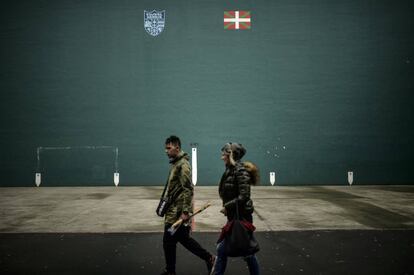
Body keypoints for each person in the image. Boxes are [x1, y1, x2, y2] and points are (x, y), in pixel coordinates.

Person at [160, 135, 215, 275]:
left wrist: (185, 212)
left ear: (177, 148)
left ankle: (171, 271)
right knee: (180, 240)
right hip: (173, 211)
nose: (166, 151)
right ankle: (209, 258)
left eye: (169, 148)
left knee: (169, 241)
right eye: (165, 148)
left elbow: (188, 189)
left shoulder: (183, 165)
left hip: (177, 213)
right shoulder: (176, 164)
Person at [214, 142, 260, 275]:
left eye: (225, 152)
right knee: (245, 252)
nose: (222, 154)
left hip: (242, 216)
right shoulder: (231, 169)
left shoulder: (240, 171)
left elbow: (244, 196)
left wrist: (227, 206)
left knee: (227, 250)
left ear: (232, 154)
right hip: (235, 215)